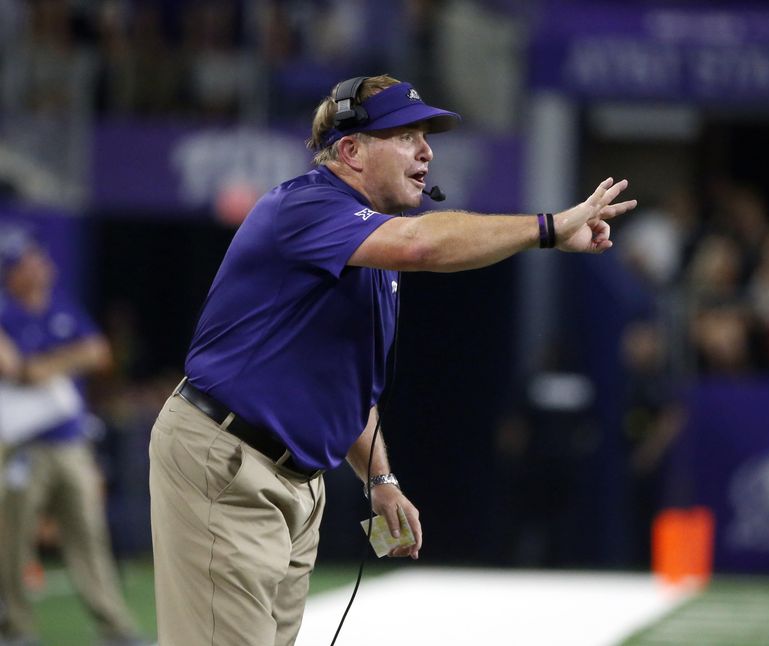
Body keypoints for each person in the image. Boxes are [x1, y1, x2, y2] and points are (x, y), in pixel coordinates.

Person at [148, 73, 637, 646]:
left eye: (426, 136)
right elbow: (423, 246)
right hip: (230, 459)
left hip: (296, 480)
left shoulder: (369, 250)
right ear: (351, 150)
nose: (427, 151)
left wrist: (379, 477)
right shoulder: (305, 206)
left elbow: (350, 386)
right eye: (405, 135)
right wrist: (548, 228)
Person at [0, 231, 147, 646]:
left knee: (88, 531)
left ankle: (114, 625)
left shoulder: (61, 308)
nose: (42, 267)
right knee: (14, 537)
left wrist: (44, 367)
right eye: (31, 262)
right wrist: (62, 362)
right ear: (16, 272)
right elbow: (13, 369)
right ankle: (15, 627)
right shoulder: (6, 313)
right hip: (21, 447)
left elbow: (97, 353)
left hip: (69, 442)